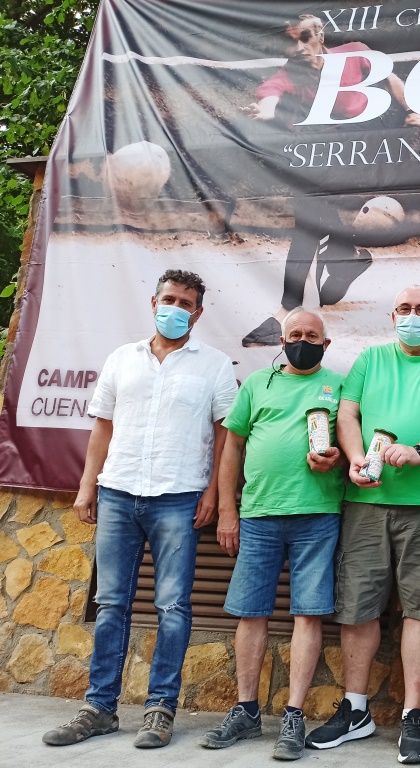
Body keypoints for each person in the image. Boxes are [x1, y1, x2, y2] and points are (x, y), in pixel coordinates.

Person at [42, 270, 237, 749]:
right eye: (168, 299)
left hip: (179, 496)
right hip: (117, 492)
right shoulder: (121, 358)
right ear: (153, 303)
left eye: (185, 303)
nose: (175, 308)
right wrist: (87, 486)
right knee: (111, 604)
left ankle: (160, 709)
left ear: (198, 313)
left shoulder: (214, 365)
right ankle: (99, 708)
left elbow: (225, 437)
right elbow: (102, 428)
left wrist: (214, 494)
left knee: (173, 606)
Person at [305, 285, 420, 763]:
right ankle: (356, 710)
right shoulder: (370, 359)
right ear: (392, 315)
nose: (412, 316)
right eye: (404, 309)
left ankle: (413, 715)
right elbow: (348, 412)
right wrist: (356, 458)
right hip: (366, 500)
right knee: (357, 605)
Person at [200, 308, 345, 761]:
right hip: (258, 515)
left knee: (309, 615)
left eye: (312, 335)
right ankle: (246, 710)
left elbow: (351, 444)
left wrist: (337, 458)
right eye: (294, 334)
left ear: (326, 343)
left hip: (318, 515)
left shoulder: (341, 387)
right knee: (250, 613)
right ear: (281, 342)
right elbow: (232, 446)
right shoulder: (257, 384)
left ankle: (294, 715)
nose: (303, 341)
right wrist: (228, 509)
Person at [241, 14, 420, 347]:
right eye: (289, 41)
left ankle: (288, 308)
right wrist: (265, 111)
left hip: (362, 146)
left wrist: (411, 111)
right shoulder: (287, 75)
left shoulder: (355, 52)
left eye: (304, 37)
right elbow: (270, 100)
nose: (298, 47)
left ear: (319, 35)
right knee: (312, 214)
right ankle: (346, 258)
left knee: (308, 219)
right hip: (320, 153)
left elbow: (390, 80)